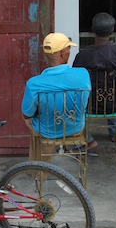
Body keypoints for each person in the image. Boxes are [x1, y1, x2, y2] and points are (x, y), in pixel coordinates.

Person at [21, 32, 97, 161]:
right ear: (63, 53)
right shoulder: (83, 74)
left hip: (48, 131)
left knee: (30, 120)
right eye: (68, 48)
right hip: (76, 128)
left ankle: (38, 168)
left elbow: (27, 113)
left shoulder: (34, 83)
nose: (69, 51)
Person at [73, 12, 116, 142]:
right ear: (112, 30)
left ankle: (85, 136)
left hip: (91, 105)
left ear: (93, 30)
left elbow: (75, 82)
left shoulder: (83, 55)